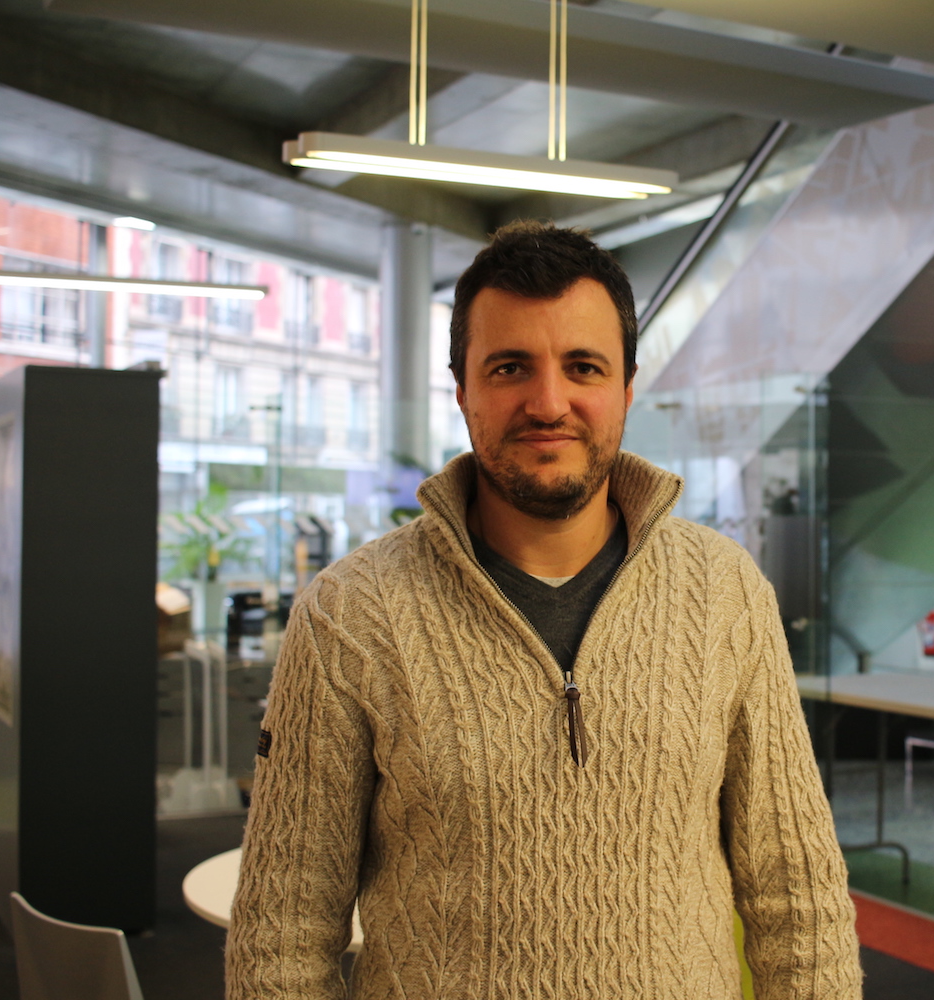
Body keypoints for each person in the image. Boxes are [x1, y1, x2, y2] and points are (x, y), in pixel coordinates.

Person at [226, 221, 861, 999]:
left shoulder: (724, 593)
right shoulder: (350, 616)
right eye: (510, 367)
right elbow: (282, 934)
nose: (548, 401)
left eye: (583, 366)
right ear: (462, 389)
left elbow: (798, 898)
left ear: (627, 388)